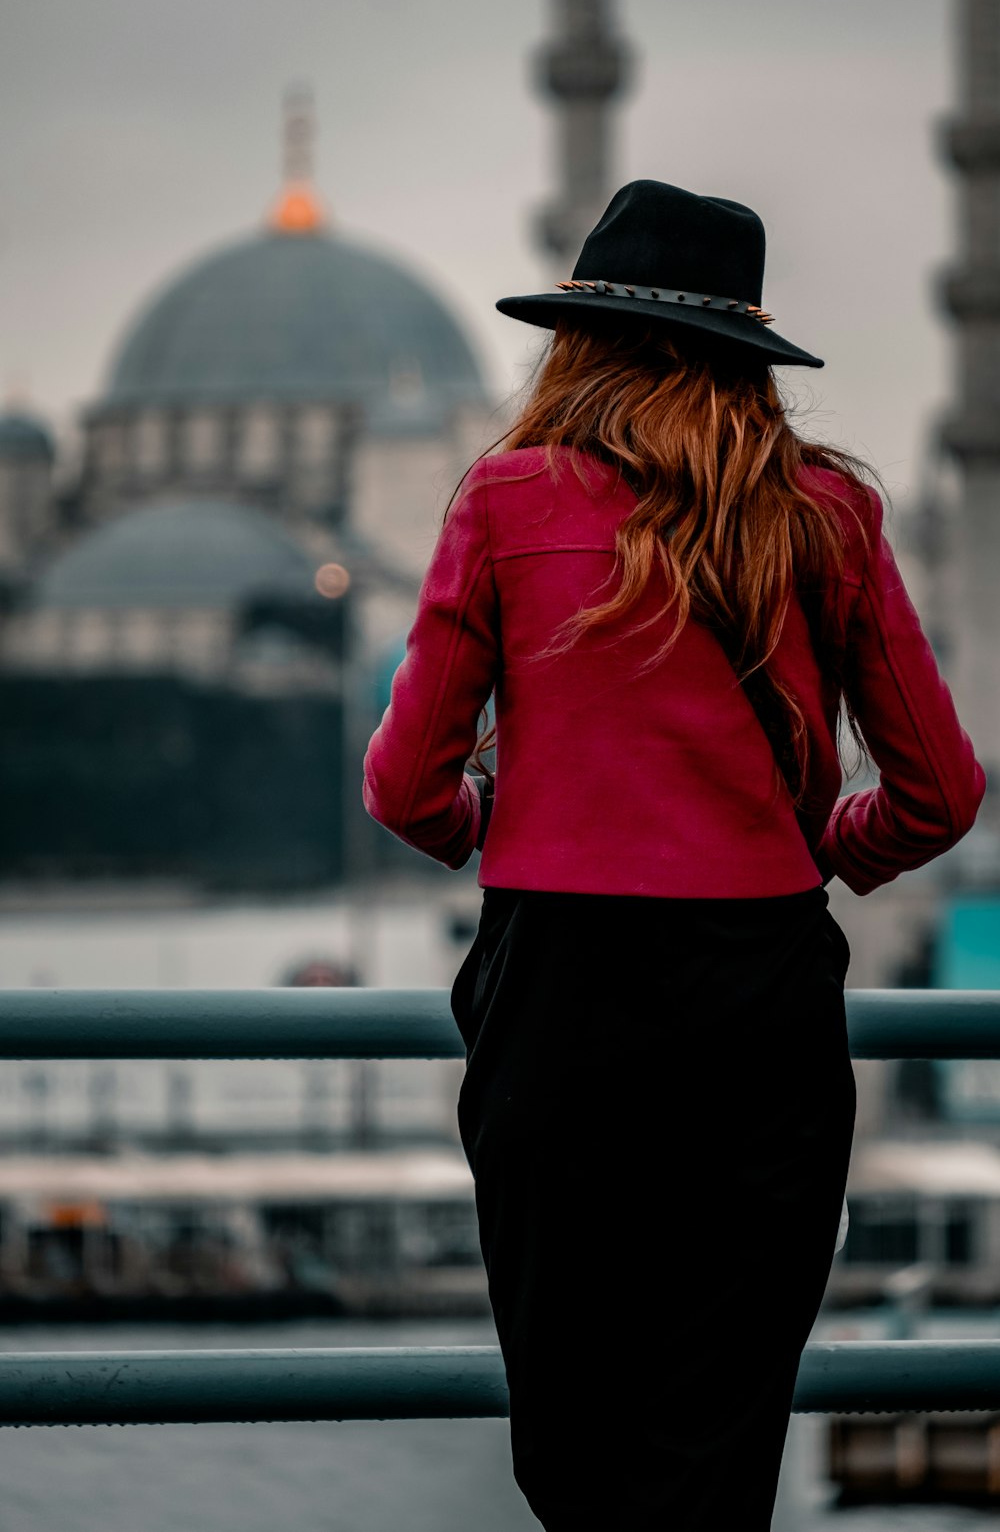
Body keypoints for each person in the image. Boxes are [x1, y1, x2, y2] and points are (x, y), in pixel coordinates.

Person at [362, 179, 986, 1530]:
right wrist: (823, 846)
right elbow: (939, 792)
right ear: (751, 363)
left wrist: (492, 822)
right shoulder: (829, 512)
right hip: (757, 994)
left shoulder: (506, 502)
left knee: (577, 1442)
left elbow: (407, 784)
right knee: (712, 1437)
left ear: (580, 338)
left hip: (559, 989)